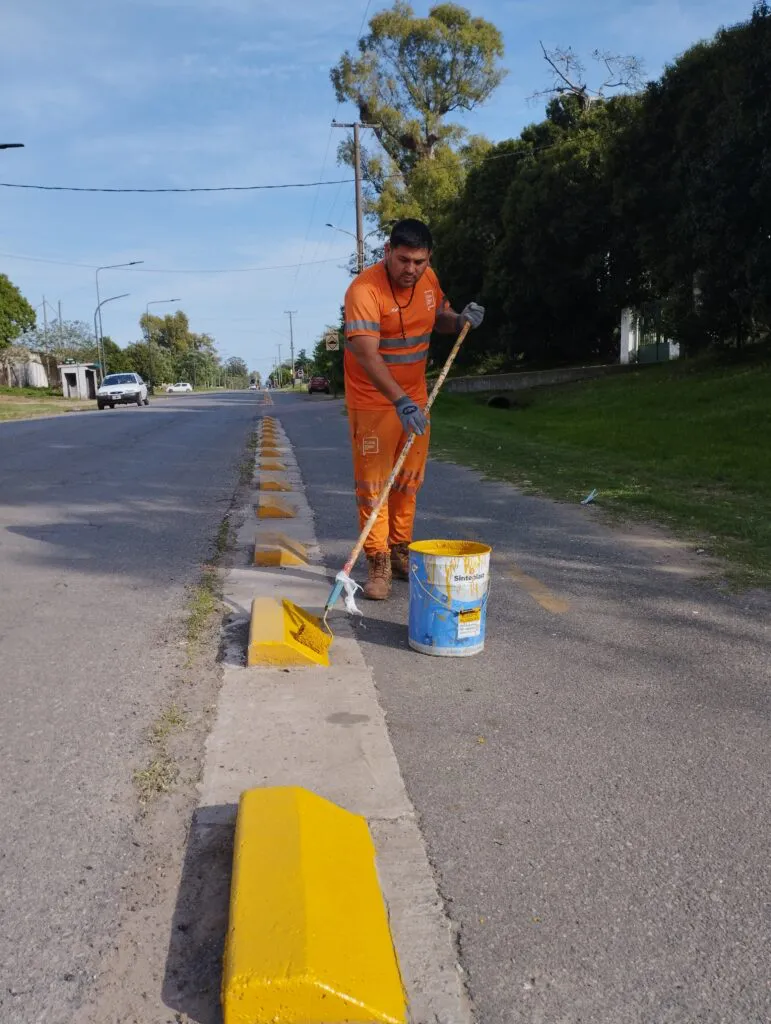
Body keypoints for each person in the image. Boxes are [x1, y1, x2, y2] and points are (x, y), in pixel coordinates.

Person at [343, 218, 485, 600]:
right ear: (388, 252)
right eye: (404, 260)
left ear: (429, 258)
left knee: (408, 479)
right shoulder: (364, 290)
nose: (411, 269)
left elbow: (439, 317)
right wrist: (399, 401)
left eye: (419, 262)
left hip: (417, 398)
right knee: (374, 485)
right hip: (374, 401)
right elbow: (367, 354)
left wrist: (460, 320)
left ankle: (400, 548)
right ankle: (377, 559)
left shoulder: (428, 280)